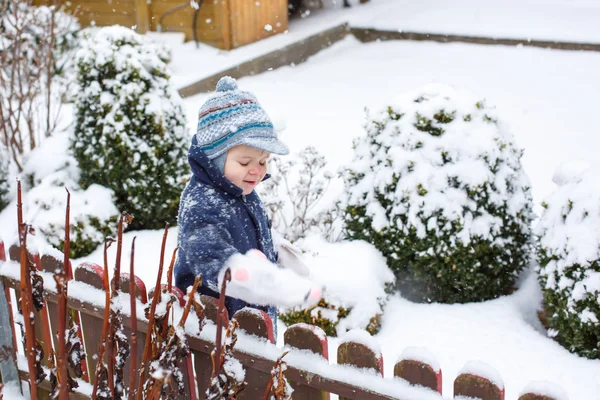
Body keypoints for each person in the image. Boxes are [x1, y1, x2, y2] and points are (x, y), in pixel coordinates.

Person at [174, 76, 289, 328]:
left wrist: (275, 252)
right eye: (245, 162)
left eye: (263, 161)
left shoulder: (242, 192)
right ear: (214, 159)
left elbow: (249, 236)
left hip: (251, 318)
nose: (257, 171)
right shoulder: (202, 201)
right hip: (215, 330)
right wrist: (239, 271)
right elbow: (206, 253)